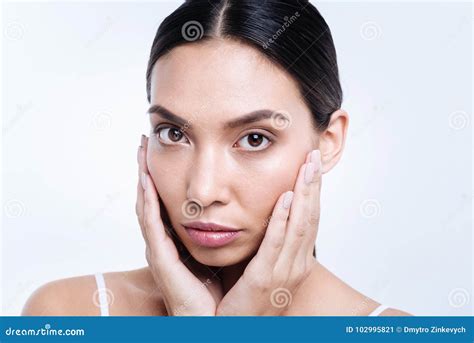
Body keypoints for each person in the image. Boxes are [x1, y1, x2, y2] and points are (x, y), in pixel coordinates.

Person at [22, 0, 411, 316]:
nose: (203, 191)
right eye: (173, 134)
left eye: (254, 139)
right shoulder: (66, 313)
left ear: (328, 141)